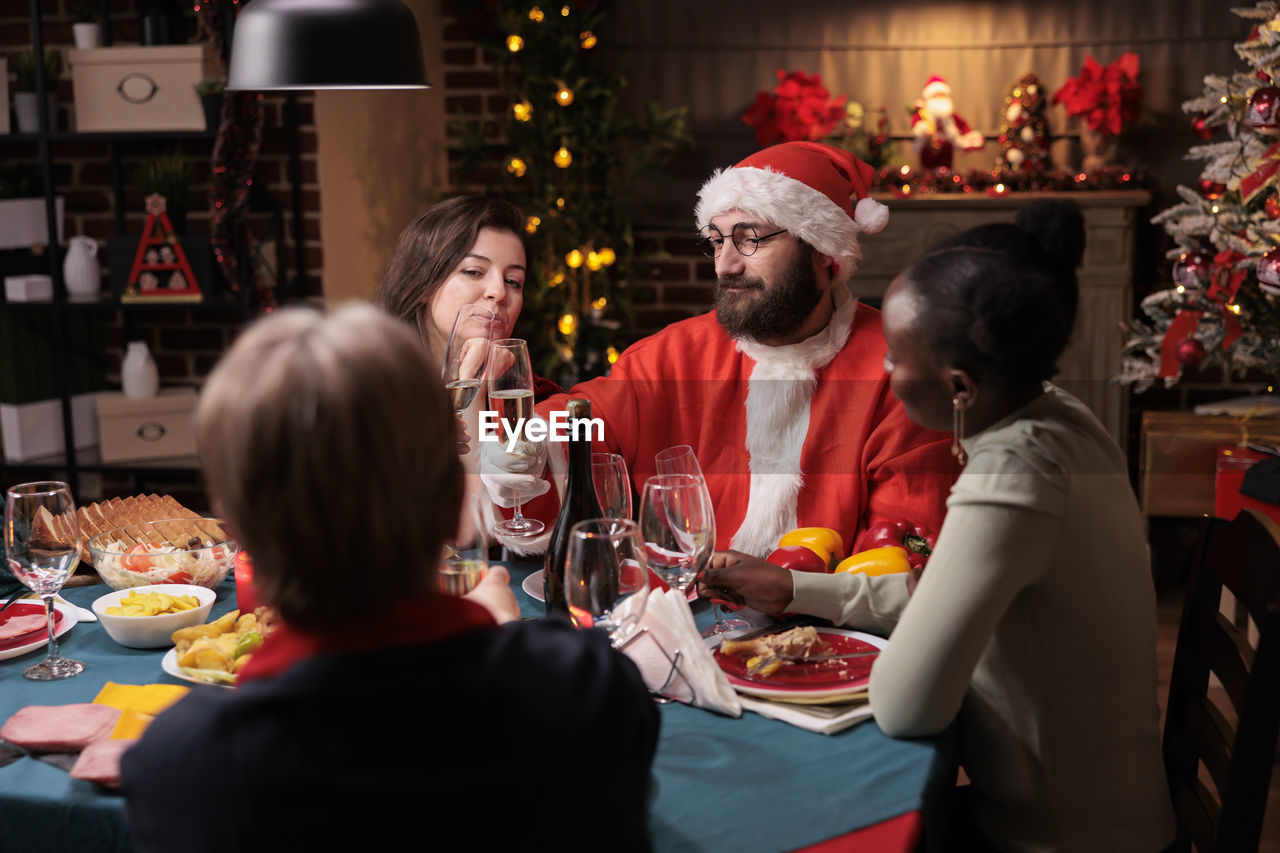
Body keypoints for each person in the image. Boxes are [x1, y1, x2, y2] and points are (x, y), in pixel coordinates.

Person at [700, 201, 1176, 852]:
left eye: (895, 356)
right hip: (1074, 817)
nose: (885, 372)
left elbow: (905, 705)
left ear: (958, 387)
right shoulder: (1059, 417)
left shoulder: (1012, 473)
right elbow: (943, 592)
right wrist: (792, 588)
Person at [120, 304, 659, 851]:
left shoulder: (182, 765)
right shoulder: (589, 690)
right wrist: (508, 640)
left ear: (237, 532)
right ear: (455, 505)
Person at [483, 141, 955, 558]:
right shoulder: (674, 355)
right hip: (684, 624)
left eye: (750, 239)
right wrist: (533, 438)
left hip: (837, 643)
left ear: (822, 250)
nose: (725, 264)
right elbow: (590, 413)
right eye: (716, 241)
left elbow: (905, 546)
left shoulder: (897, 367)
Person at [375, 195, 564, 547]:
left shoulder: (534, 401)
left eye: (513, 282)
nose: (497, 293)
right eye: (474, 272)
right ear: (423, 284)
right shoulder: (369, 388)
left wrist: (473, 380)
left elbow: (475, 532)